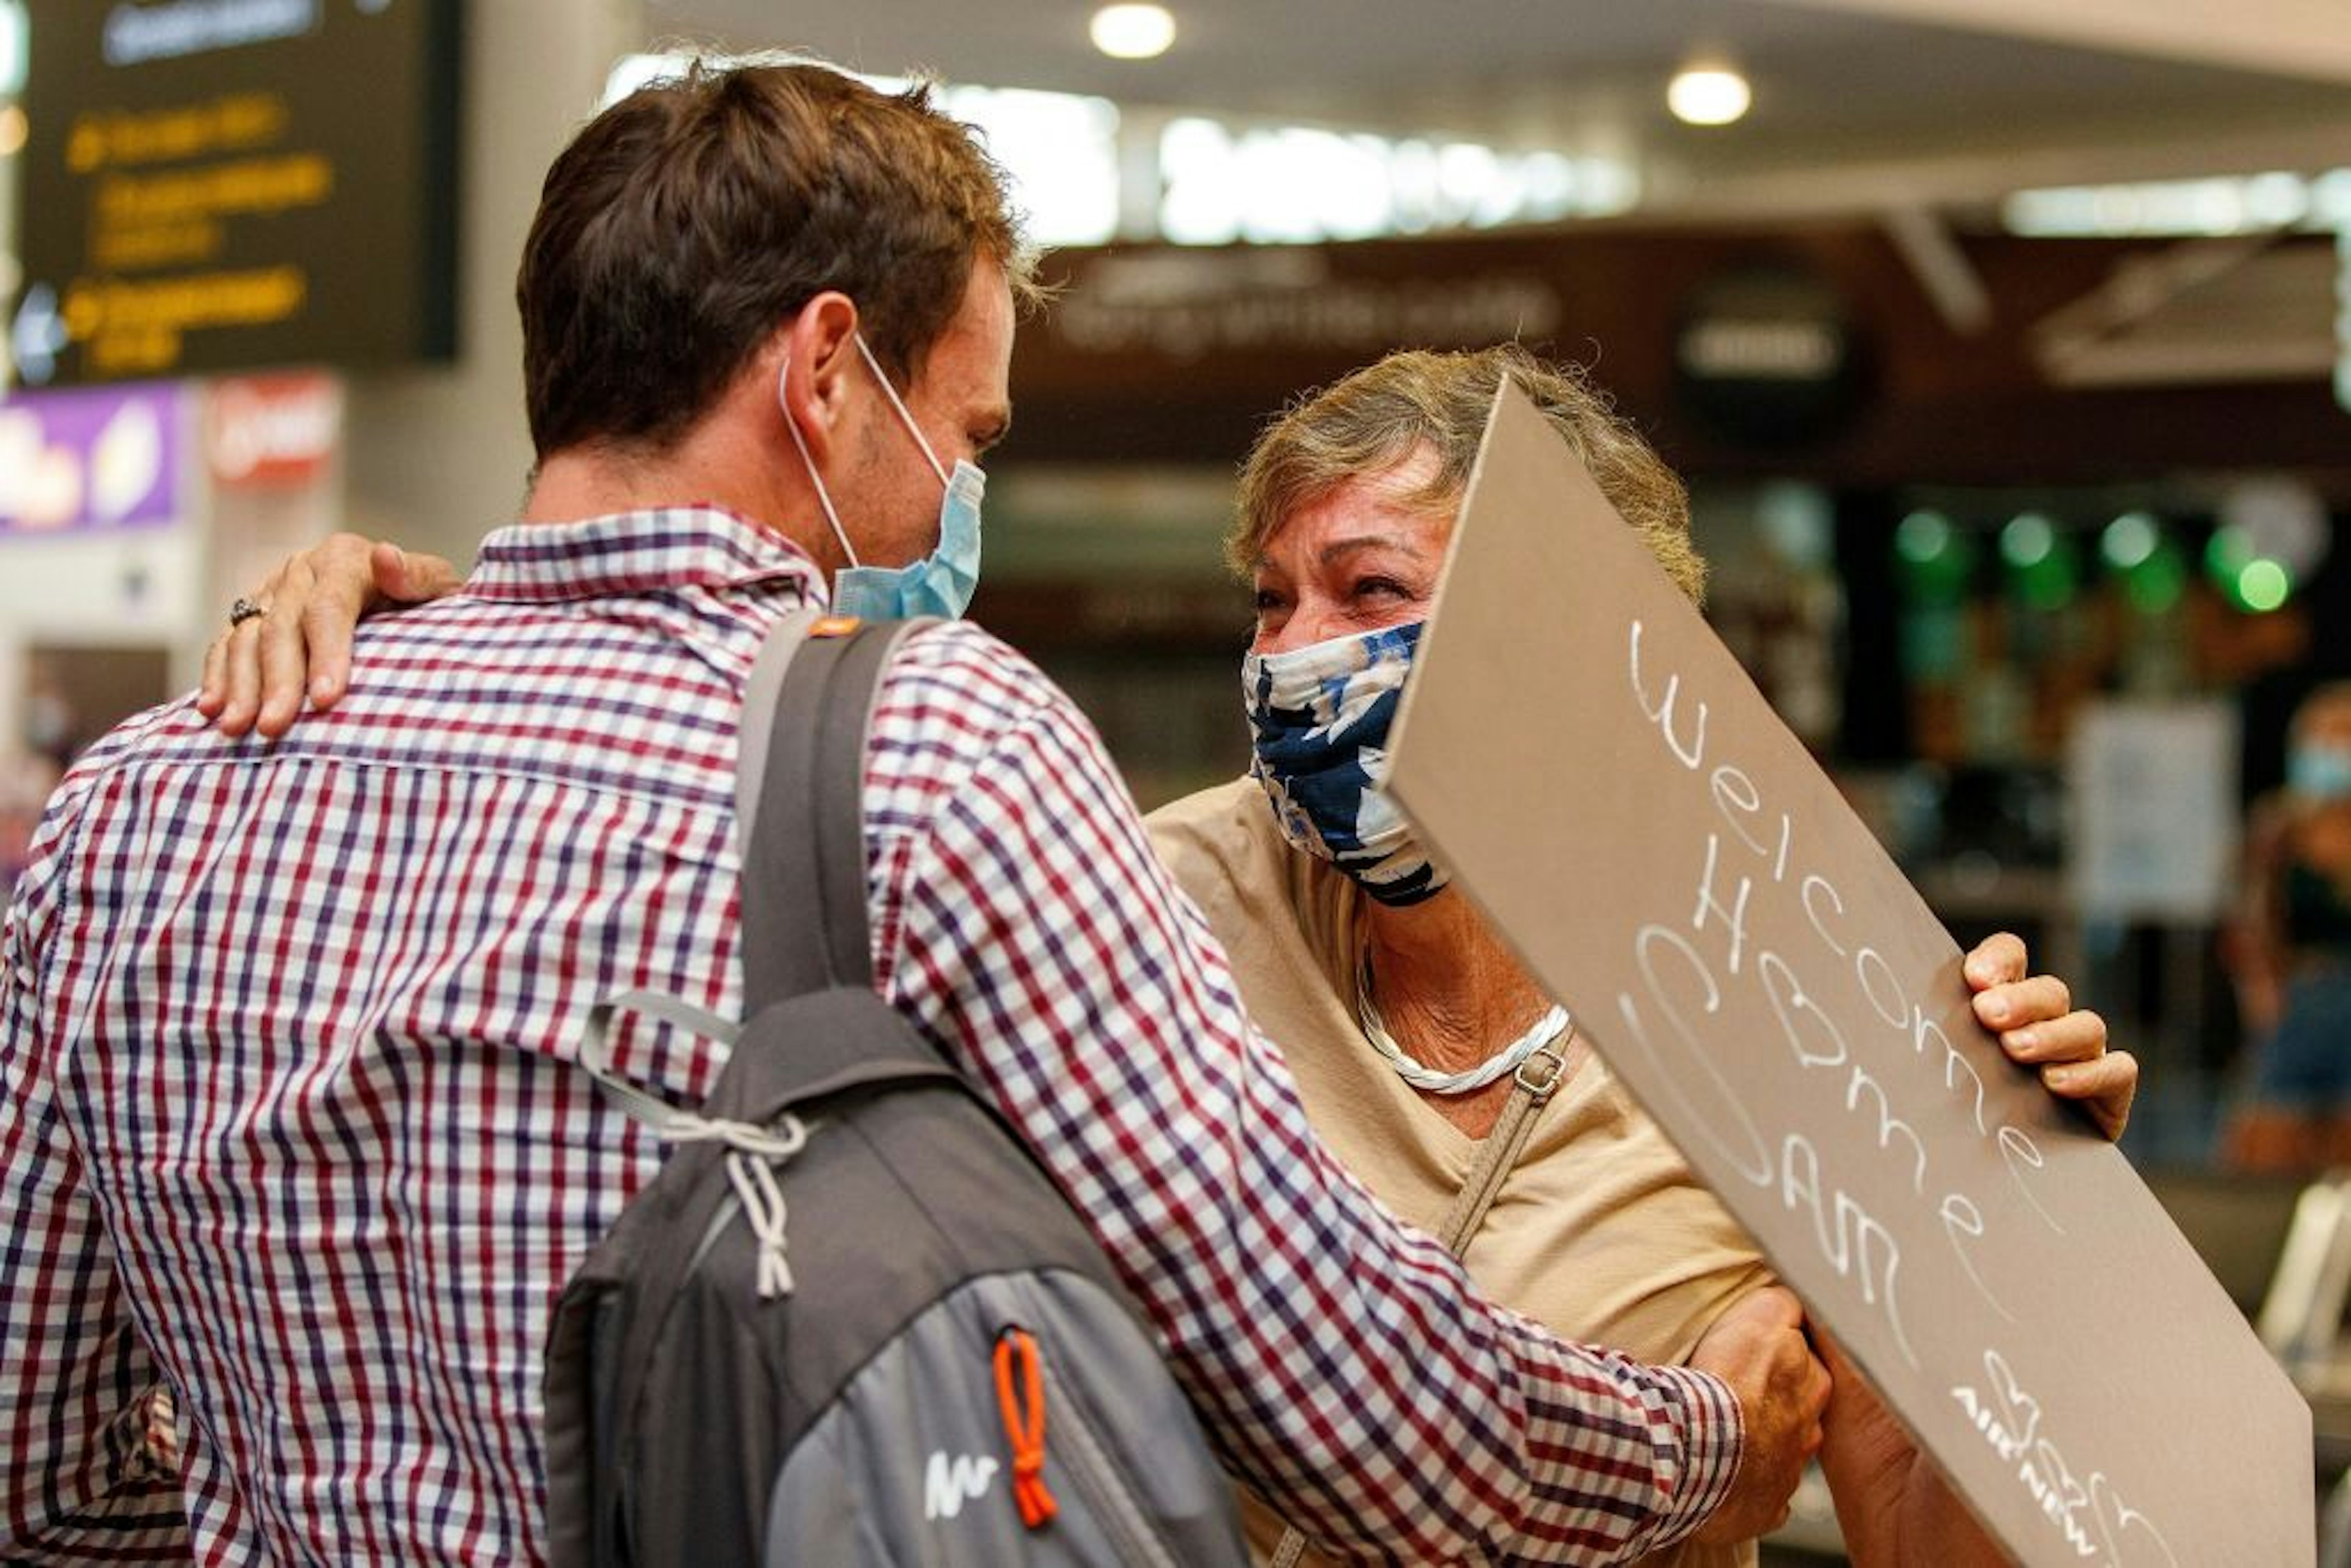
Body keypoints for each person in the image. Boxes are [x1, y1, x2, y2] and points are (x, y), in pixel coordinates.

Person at [0, 63, 1828, 1566]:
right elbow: (1346, 1401)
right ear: (819, 374)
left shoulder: (139, 804)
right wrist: (1707, 1444)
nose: (959, 490)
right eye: (964, 432)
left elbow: (46, 1472)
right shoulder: (925, 750)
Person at [207, 337, 2135, 1567]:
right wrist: (463, 637)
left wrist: (2015, 1230)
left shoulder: (1784, 981)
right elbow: (691, 892)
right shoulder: (1133, 889)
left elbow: (1920, 1523)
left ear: (1581, 634)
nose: (1291, 651)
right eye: (1270, 596)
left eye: (1364, 595)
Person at [2225, 680, 2351, 1171]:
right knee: (2263, 1146)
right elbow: (2251, 920)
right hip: (2300, 995)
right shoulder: (2277, 826)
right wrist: (2260, 992)